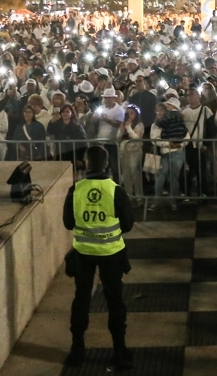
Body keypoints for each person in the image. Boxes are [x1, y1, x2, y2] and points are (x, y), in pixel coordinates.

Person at [62, 145, 135, 371]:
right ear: (106, 164)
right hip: (111, 254)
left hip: (83, 254)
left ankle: (77, 350)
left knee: (81, 299)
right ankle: (119, 351)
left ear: (86, 163)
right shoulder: (116, 191)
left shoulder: (75, 190)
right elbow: (128, 225)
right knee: (115, 301)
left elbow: (68, 223)